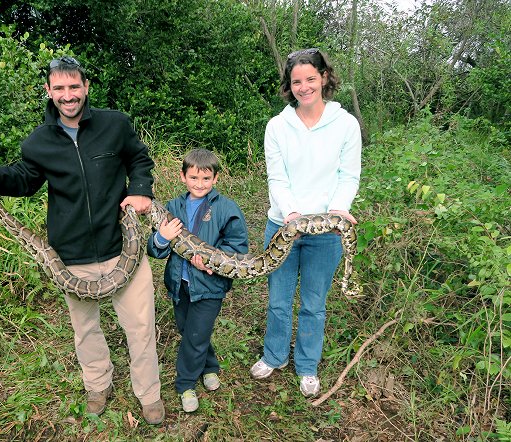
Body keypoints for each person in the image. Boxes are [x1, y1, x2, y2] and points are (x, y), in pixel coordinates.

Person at [0, 56, 165, 424]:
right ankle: (97, 385)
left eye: (74, 87)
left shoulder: (115, 124)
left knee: (140, 325)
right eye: (60, 88)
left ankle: (148, 394)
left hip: (122, 245)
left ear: (86, 87)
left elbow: (139, 160)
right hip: (71, 254)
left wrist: (141, 191)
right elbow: (24, 179)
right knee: (85, 329)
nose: (68, 96)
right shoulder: (38, 142)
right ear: (49, 91)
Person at [249, 48, 361, 397]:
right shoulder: (277, 126)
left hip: (327, 231)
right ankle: (275, 355)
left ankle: (308, 366)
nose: (304, 87)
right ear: (289, 85)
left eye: (310, 78)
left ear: (324, 78)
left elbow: (349, 175)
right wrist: (292, 215)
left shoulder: (345, 124)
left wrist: (339, 209)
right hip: (283, 225)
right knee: (278, 299)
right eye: (296, 81)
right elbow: (277, 179)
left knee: (314, 302)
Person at [147, 149, 249, 413]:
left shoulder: (226, 208)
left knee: (195, 335)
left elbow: (238, 248)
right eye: (194, 178)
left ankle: (186, 384)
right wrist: (162, 237)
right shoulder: (172, 208)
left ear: (215, 178)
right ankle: (210, 366)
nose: (199, 184)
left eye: (206, 178)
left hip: (210, 286)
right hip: (179, 285)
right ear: (183, 177)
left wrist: (214, 262)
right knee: (190, 330)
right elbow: (156, 250)